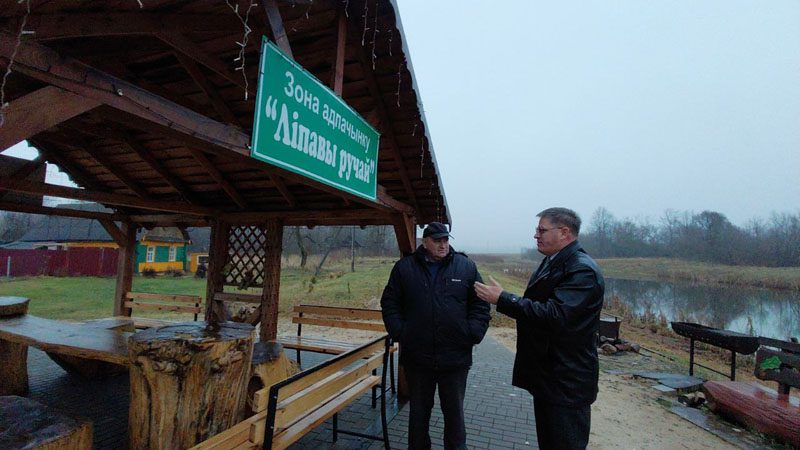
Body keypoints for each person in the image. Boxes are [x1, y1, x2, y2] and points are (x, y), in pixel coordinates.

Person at [474, 207, 604, 450]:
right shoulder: (552, 262)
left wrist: (503, 299)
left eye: (542, 230)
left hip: (567, 381)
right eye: (537, 230)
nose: (536, 235)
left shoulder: (581, 270)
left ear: (564, 232)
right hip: (549, 376)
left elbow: (557, 316)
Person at [381, 222, 491, 450]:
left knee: (455, 415)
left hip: (455, 358)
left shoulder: (465, 267)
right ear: (425, 242)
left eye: (446, 240)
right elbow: (390, 303)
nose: (443, 245)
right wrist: (400, 332)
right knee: (419, 413)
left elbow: (480, 304)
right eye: (438, 240)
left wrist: (473, 333)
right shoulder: (404, 268)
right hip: (418, 358)